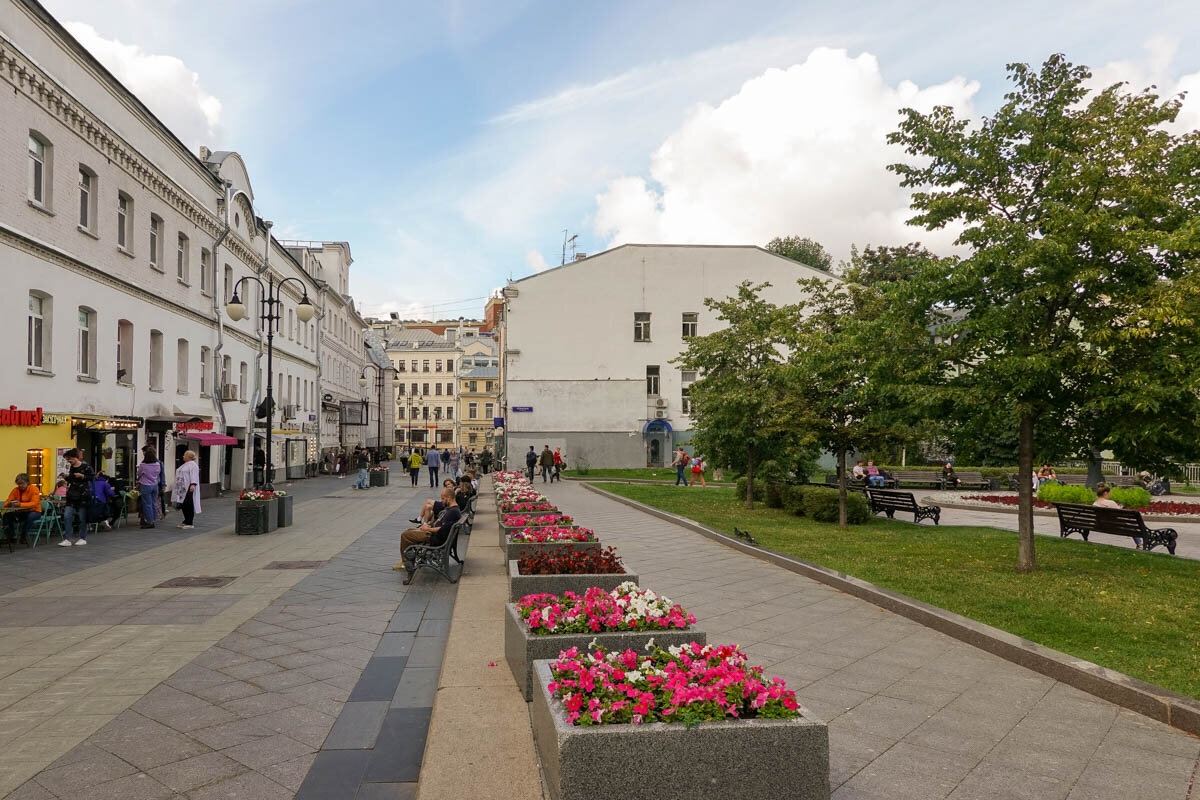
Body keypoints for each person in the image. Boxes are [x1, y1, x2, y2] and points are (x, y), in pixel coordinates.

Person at [393, 487, 461, 573]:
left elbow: (442, 529)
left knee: (405, 534)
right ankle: (409, 558)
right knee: (409, 530)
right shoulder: (451, 509)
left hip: (435, 538)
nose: (442, 500)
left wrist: (428, 529)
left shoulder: (453, 512)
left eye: (443, 498)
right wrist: (429, 525)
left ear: (449, 498)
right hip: (434, 534)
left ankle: (405, 562)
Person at [61, 448, 95, 545]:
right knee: (67, 515)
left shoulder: (86, 467)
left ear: (75, 458)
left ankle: (82, 537)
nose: (68, 461)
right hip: (72, 494)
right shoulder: (72, 467)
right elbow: (72, 480)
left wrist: (82, 476)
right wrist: (67, 477)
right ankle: (67, 538)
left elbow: (92, 477)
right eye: (67, 459)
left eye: (69, 459)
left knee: (82, 517)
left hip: (83, 495)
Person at [1093, 483, 1142, 549]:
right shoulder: (1110, 502)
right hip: (1114, 526)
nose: (1109, 495)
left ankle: (1139, 543)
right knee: (1131, 524)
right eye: (1109, 493)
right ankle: (1139, 543)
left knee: (1130, 524)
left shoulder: (1095, 503)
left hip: (1100, 525)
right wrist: (1121, 507)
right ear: (1105, 493)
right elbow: (1119, 513)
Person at [2, 473, 42, 545]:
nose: (20, 486)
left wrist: (20, 504)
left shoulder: (34, 489)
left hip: (35, 511)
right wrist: (9, 504)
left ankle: (23, 536)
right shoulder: (15, 490)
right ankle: (11, 537)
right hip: (22, 511)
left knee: (30, 516)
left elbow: (34, 503)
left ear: (27, 482)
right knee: (6, 516)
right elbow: (7, 501)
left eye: (22, 483)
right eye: (18, 484)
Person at [173, 450, 201, 529]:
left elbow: (194, 475)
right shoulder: (185, 465)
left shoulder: (193, 465)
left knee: (188, 504)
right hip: (182, 488)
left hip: (188, 487)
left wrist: (193, 484)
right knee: (183, 504)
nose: (183, 456)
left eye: (184, 455)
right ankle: (186, 520)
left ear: (189, 456)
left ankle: (190, 522)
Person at [136, 445, 162, 530]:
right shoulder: (157, 464)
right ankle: (154, 519)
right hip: (155, 485)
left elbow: (138, 474)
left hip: (146, 485)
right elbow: (158, 474)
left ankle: (150, 522)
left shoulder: (143, 465)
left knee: (147, 504)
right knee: (153, 503)